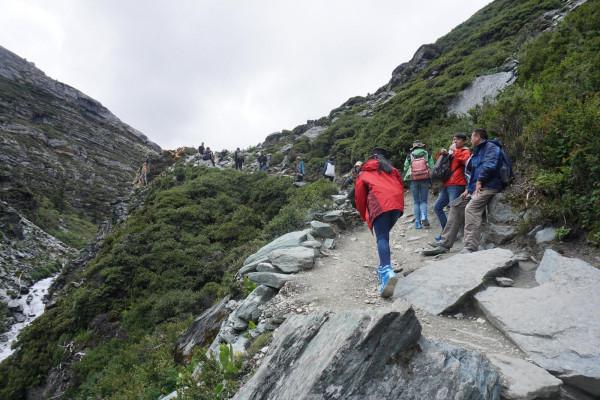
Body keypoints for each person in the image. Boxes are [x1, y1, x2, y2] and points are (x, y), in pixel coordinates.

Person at [424, 128, 506, 256]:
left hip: (489, 186)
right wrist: (469, 189)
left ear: (478, 137)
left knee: (470, 209)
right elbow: (473, 172)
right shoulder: (477, 151)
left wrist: (480, 180)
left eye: (472, 136)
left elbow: (490, 165)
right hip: (477, 186)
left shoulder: (491, 147)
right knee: (456, 205)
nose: (471, 139)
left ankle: (470, 247)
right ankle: (445, 244)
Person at [354, 147, 404, 298]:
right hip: (396, 205)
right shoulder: (392, 170)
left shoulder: (364, 172)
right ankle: (384, 265)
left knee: (381, 238)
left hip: (380, 204)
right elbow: (401, 185)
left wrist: (365, 215)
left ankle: (386, 272)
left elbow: (360, 197)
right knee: (385, 237)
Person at [432, 133, 471, 240]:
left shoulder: (465, 151)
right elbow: (441, 164)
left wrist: (455, 151)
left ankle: (452, 236)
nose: (455, 141)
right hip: (446, 184)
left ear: (464, 141)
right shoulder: (451, 151)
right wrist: (442, 153)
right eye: (454, 139)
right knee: (437, 207)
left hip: (457, 184)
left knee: (454, 210)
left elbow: (465, 161)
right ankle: (446, 232)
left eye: (457, 140)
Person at [403, 140, 434, 229]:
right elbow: (432, 166)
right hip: (425, 178)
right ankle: (424, 217)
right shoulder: (427, 154)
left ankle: (417, 223)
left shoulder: (410, 155)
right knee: (424, 201)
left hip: (413, 179)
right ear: (421, 146)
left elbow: (405, 167)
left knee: (416, 202)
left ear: (414, 147)